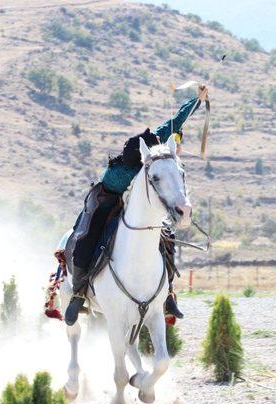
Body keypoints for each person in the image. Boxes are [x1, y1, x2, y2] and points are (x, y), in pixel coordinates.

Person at [65, 85, 209, 326]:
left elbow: (176, 120)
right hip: (108, 201)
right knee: (85, 241)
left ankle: (168, 294)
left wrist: (199, 99)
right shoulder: (119, 174)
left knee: (167, 238)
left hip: (140, 206)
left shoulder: (154, 145)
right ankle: (79, 293)